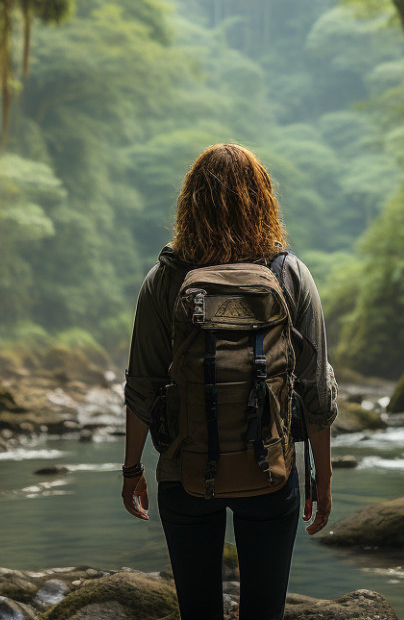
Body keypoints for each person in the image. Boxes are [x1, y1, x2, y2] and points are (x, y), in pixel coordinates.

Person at [120, 142, 338, 620]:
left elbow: (142, 386)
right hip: (271, 471)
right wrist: (322, 475)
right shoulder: (290, 274)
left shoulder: (164, 279)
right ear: (263, 201)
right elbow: (316, 391)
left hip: (184, 471)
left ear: (189, 204)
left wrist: (132, 469)